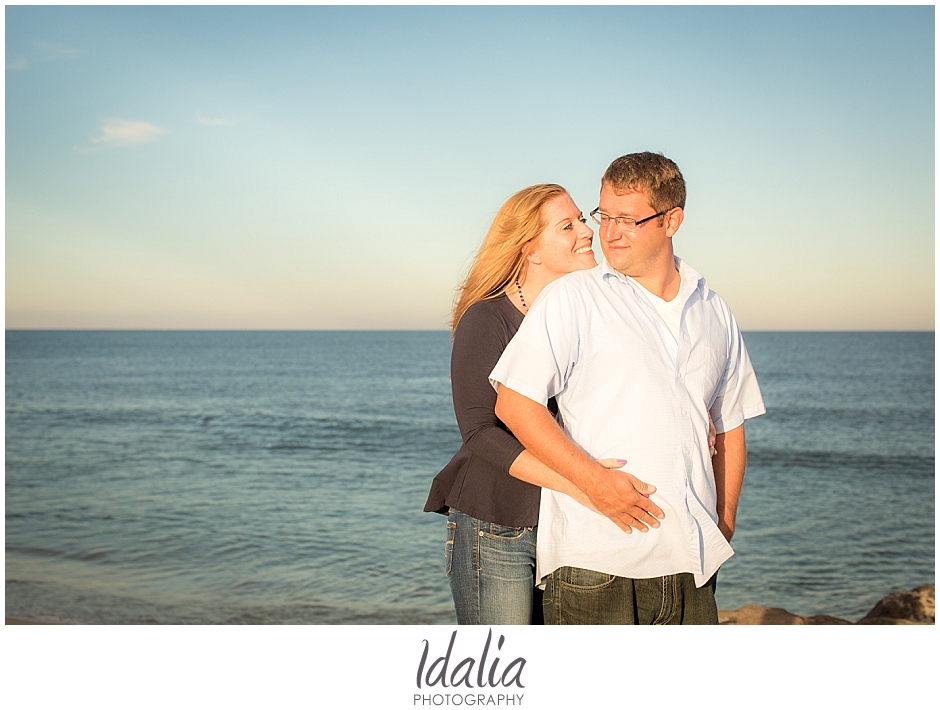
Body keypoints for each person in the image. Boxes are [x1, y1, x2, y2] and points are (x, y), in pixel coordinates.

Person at [491, 152, 766, 625]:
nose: (609, 232)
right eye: (604, 216)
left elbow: (731, 422)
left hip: (692, 562)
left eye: (628, 220)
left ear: (672, 220)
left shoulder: (713, 309)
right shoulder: (574, 297)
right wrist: (595, 483)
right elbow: (514, 403)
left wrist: (722, 522)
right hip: (596, 560)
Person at [424, 184, 663, 625]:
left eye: (582, 219)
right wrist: (584, 484)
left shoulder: (587, 312)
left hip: (568, 528)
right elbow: (479, 433)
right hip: (496, 524)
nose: (588, 231)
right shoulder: (488, 318)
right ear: (530, 251)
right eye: (567, 226)